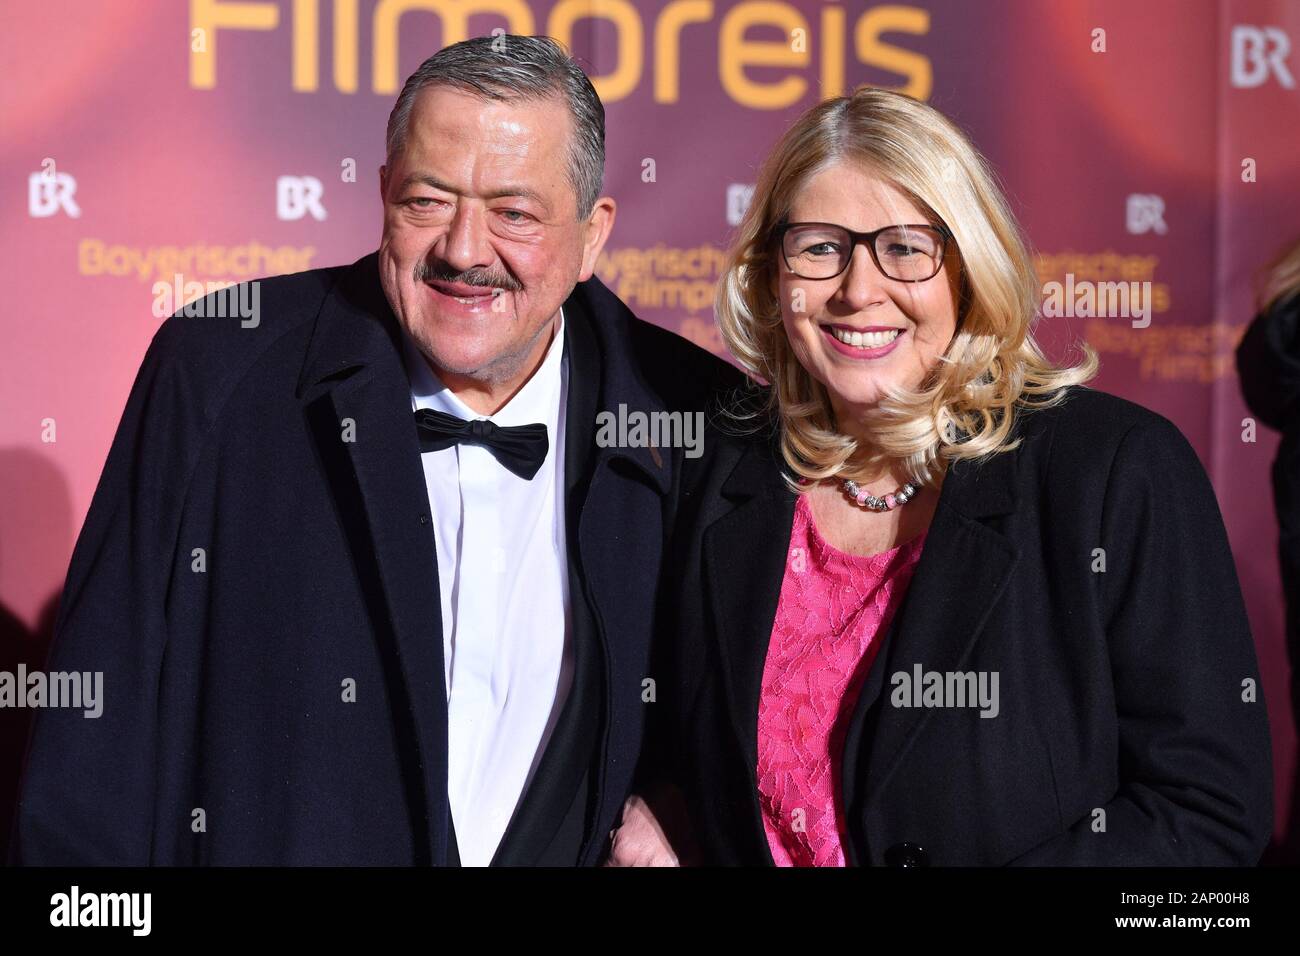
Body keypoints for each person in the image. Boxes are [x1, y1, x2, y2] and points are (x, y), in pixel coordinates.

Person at [12, 35, 740, 866]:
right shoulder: (220, 370)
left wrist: (683, 809)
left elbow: (753, 734)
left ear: (591, 236)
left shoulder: (695, 424)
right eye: (429, 201)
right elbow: (95, 747)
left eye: (515, 213)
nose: (466, 251)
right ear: (384, 193)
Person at [611, 88, 1274, 866]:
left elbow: (1208, 816)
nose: (859, 290)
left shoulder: (1112, 473)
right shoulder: (721, 471)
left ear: (968, 268)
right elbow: (673, 724)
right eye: (821, 247)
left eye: (905, 247)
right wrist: (669, 802)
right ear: (771, 274)